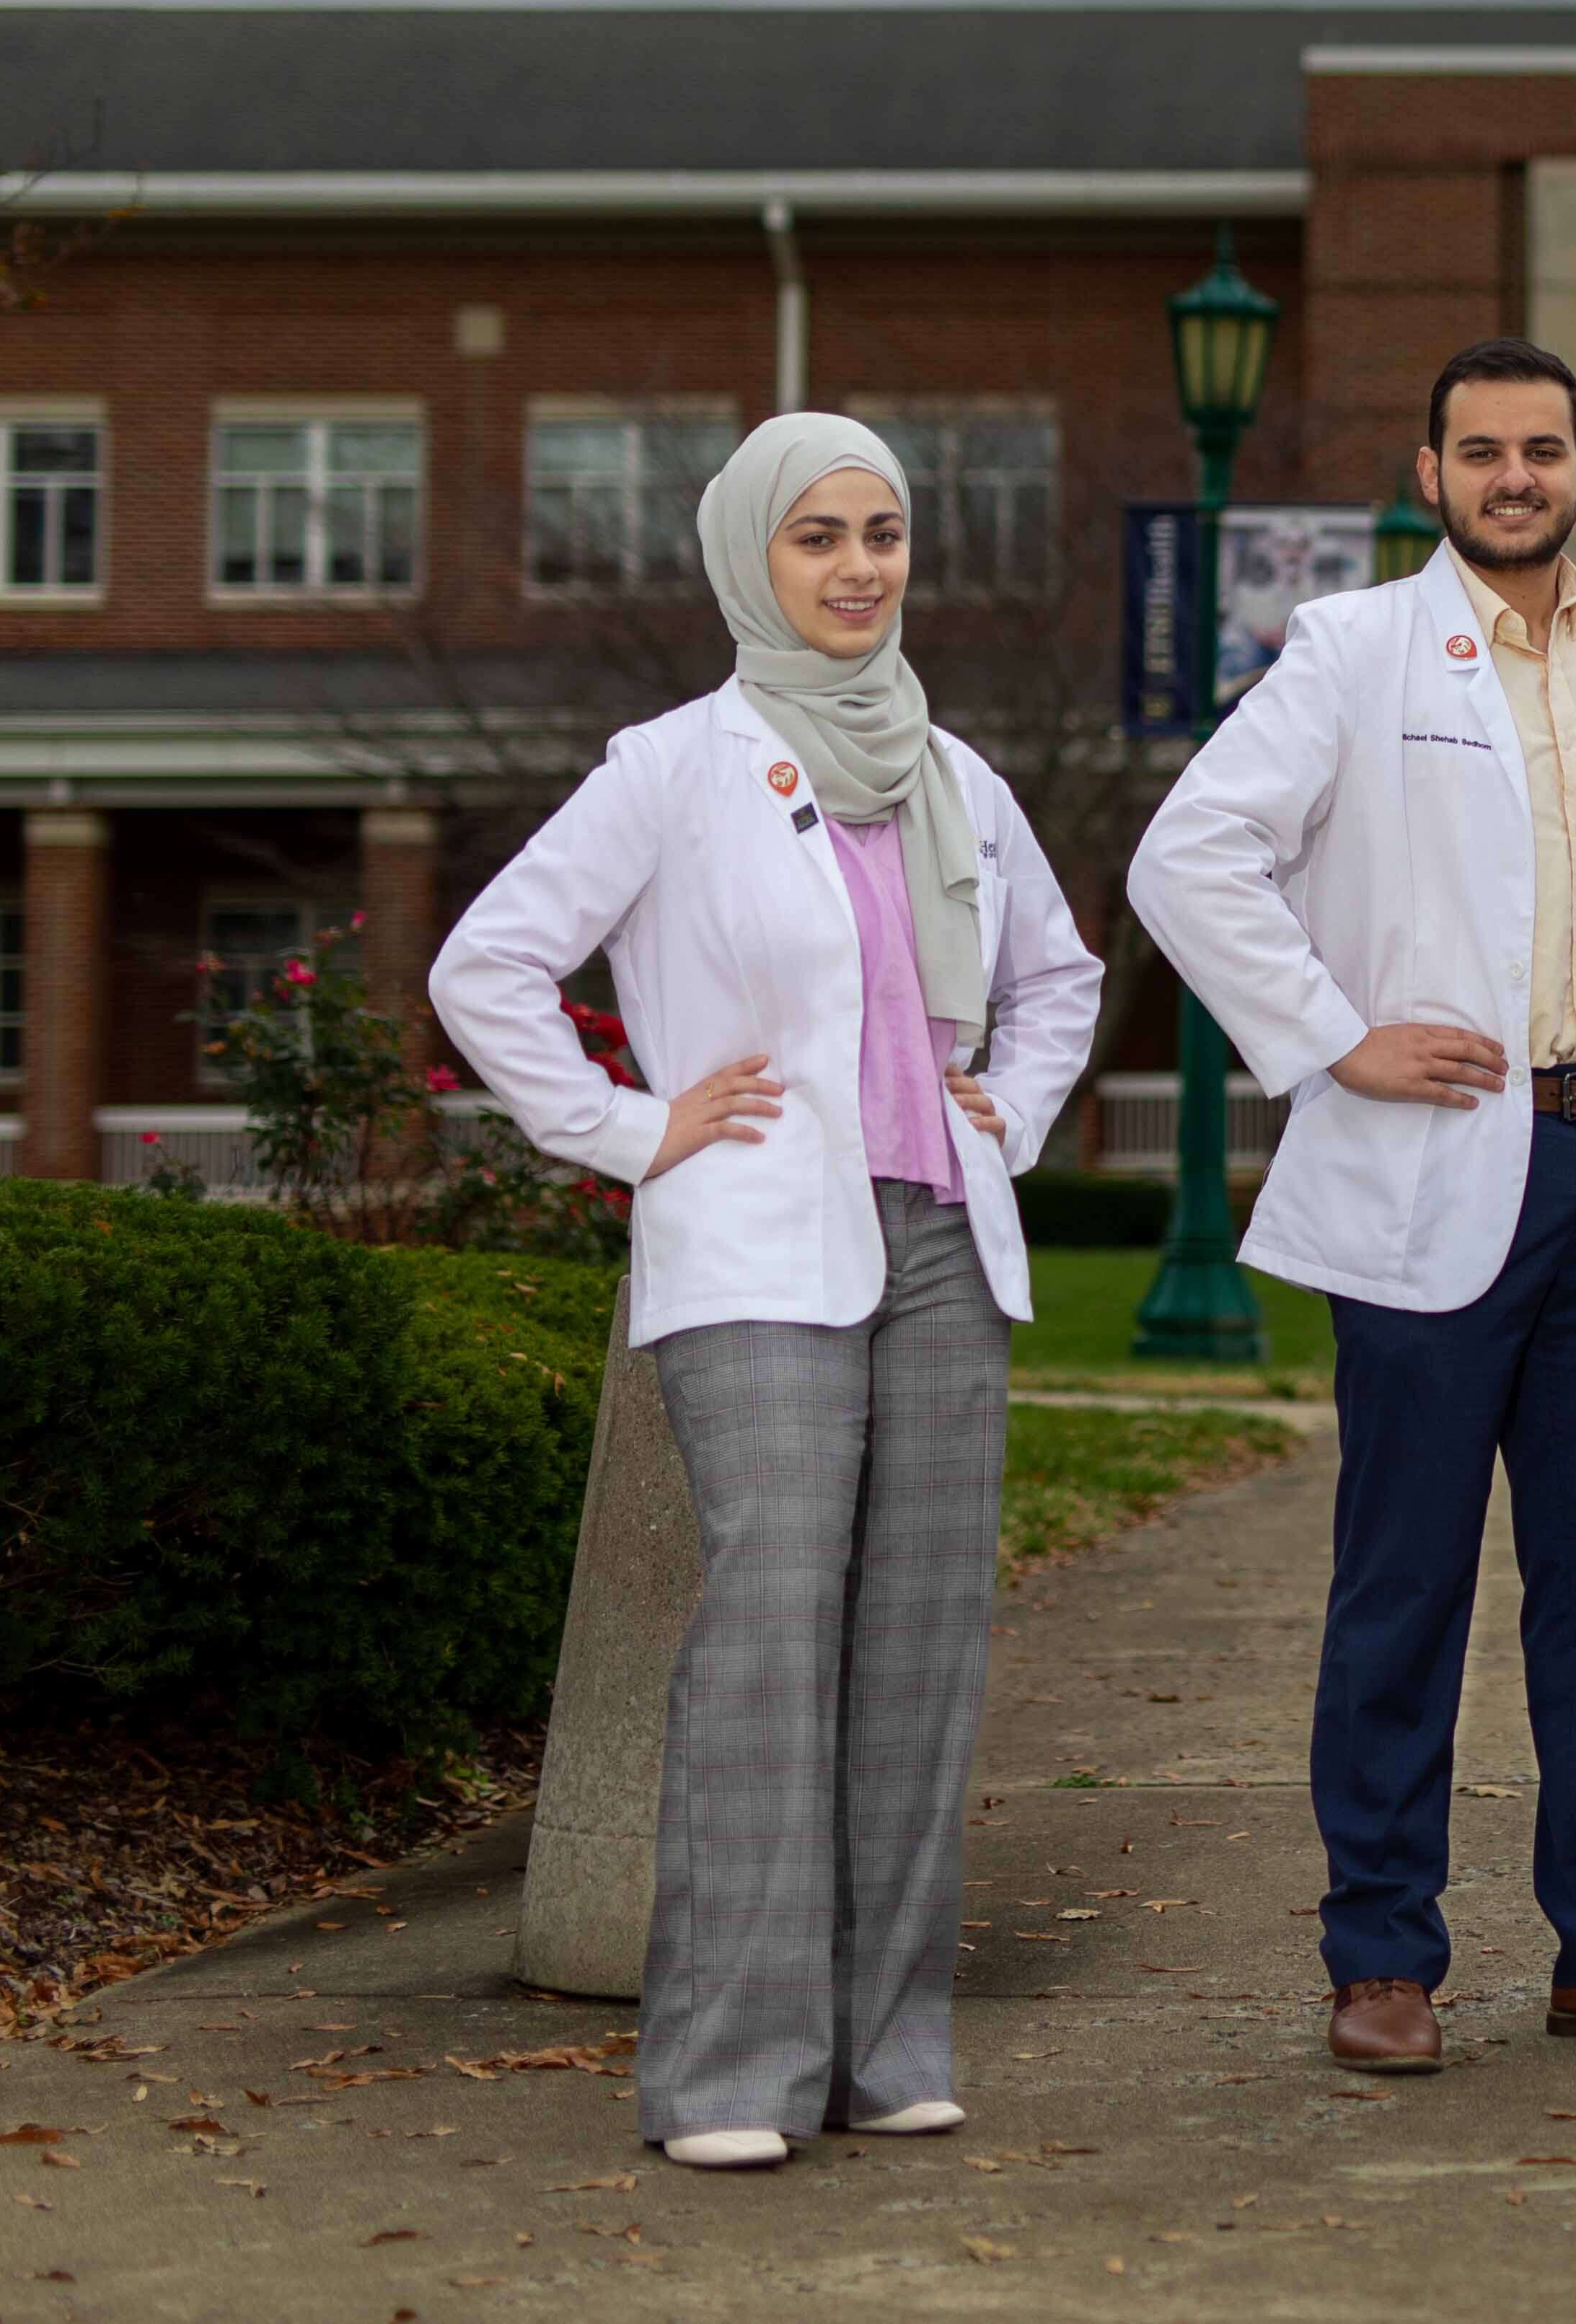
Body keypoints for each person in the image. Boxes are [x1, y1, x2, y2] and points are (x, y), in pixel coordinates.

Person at [430, 416, 1105, 2173]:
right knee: (770, 1629)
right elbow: (485, 960)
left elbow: (1060, 976)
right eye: (820, 536)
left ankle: (885, 2048)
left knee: (920, 1649)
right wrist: (634, 1126)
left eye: (883, 533)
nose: (859, 567)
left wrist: (1007, 1108)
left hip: (942, 1237)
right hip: (758, 1241)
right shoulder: (673, 766)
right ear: (753, 556)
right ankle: (729, 2066)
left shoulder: (956, 772)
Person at [1126, 338, 1576, 2077]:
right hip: (1427, 1174)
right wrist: (1334, 1039)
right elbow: (1187, 855)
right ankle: (1382, 1953)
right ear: (1429, 473)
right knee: (1401, 1581)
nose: (1513, 475)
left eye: (1541, 449)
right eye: (1479, 450)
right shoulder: (1351, 650)